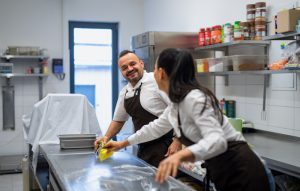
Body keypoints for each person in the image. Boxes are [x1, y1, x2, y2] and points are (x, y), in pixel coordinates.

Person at [103, 48, 271, 191]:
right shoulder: (177, 103)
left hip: (242, 169)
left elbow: (218, 141)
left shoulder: (194, 98)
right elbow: (155, 127)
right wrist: (122, 144)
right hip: (223, 169)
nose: (153, 74)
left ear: (161, 73)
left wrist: (180, 155)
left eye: (154, 69)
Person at [94, 50, 181, 167]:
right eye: (124, 68)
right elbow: (118, 120)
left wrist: (177, 141)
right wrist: (105, 137)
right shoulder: (125, 92)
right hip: (144, 146)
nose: (129, 69)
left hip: (166, 146)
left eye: (132, 64)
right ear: (121, 72)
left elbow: (178, 110)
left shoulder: (156, 81)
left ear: (141, 64)